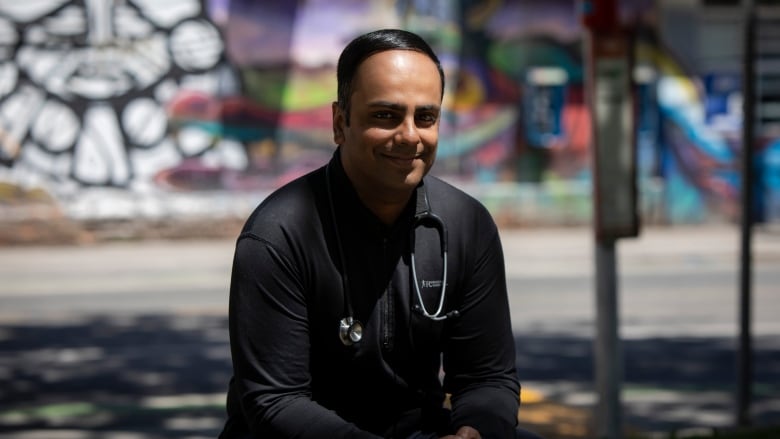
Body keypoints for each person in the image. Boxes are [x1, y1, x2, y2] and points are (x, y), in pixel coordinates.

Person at [219, 28, 541, 439]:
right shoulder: (278, 234)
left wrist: (474, 431)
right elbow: (275, 402)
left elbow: (488, 378)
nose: (410, 136)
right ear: (341, 123)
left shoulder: (467, 225)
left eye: (425, 117)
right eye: (385, 116)